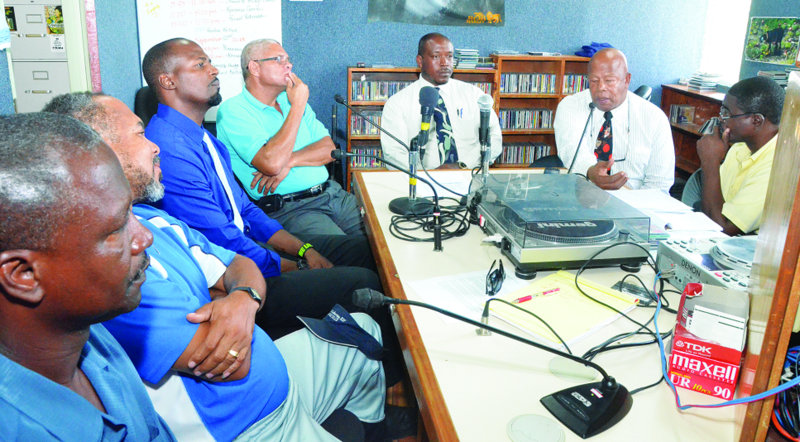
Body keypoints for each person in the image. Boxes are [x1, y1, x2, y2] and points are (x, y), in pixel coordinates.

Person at [45, 92, 414, 441]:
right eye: (140, 134)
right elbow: (232, 362)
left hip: (275, 381)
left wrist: (243, 298)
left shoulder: (153, 220)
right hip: (248, 425)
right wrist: (238, 290)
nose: (154, 146)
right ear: (96, 156)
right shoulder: (103, 266)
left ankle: (367, 428)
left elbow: (239, 264)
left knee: (363, 330)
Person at [139, 38, 389, 341]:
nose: (214, 70)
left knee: (370, 252)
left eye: (210, 62)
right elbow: (222, 239)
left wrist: (303, 249)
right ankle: (394, 366)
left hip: (254, 249)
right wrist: (294, 266)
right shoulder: (169, 148)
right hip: (237, 277)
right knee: (364, 283)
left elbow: (244, 209)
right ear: (168, 81)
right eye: (200, 64)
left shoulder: (202, 137)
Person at [0, 112, 174, 440]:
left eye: (131, 212)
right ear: (24, 275)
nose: (144, 238)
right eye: (117, 227)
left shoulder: (88, 337)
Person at [216, 39, 362, 237]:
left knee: (383, 237)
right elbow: (272, 163)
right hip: (292, 209)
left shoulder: (289, 99)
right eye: (278, 59)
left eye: (288, 59)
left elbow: (329, 150)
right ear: (254, 68)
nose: (289, 65)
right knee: (353, 250)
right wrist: (298, 106)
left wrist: (290, 161)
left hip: (333, 195)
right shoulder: (233, 110)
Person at [554, 48, 675, 192]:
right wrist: (591, 171)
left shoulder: (655, 118)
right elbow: (571, 150)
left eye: (609, 81)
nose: (601, 88)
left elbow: (659, 184)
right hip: (581, 194)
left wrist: (634, 204)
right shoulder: (571, 105)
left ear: (627, 80)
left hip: (635, 199)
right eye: (594, 81)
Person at [381, 32, 502, 170]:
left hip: (470, 175)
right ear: (420, 61)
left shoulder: (474, 95)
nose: (445, 63)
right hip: (420, 179)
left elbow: (494, 139)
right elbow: (394, 154)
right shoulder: (397, 103)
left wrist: (463, 166)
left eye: (449, 56)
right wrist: (427, 176)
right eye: (436, 56)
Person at [681, 76, 784, 235]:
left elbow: (722, 229)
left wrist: (710, 162)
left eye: (726, 113)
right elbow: (713, 204)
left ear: (756, 120)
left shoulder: (778, 167)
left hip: (749, 246)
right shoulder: (739, 147)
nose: (721, 119)